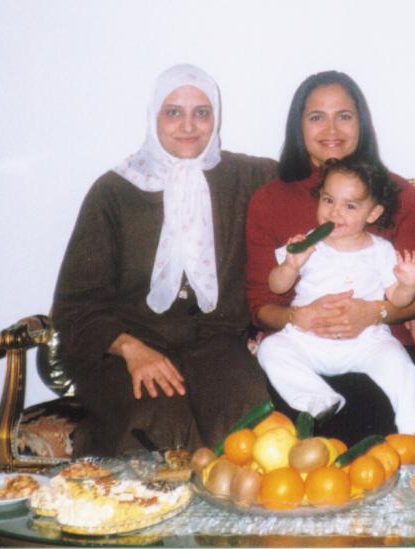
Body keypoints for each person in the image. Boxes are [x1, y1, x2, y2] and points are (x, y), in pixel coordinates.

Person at [52, 64, 277, 457]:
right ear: (153, 116)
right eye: (173, 112)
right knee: (159, 424)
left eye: (201, 113)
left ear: (216, 118)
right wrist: (130, 349)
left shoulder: (246, 179)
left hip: (216, 344)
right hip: (125, 348)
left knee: (249, 418)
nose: (188, 126)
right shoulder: (113, 192)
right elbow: (77, 304)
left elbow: (313, 180)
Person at [246, 70, 415, 443]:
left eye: (344, 116)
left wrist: (374, 312)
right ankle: (317, 400)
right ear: (299, 126)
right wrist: (297, 315)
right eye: (317, 116)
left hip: (373, 342)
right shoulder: (270, 200)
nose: (331, 129)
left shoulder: (396, 193)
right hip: (303, 344)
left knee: (375, 415)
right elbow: (261, 302)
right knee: (278, 371)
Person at [257, 157, 415, 433]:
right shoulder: (308, 242)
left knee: (397, 362)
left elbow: (398, 300)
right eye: (328, 200)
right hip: (308, 339)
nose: (335, 212)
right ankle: (317, 399)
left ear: (373, 214)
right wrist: (289, 266)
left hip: (365, 341)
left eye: (350, 206)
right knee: (271, 350)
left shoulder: (381, 250)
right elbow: (277, 286)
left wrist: (407, 285)